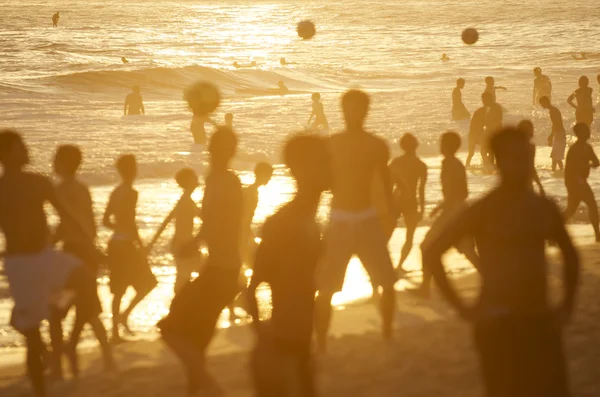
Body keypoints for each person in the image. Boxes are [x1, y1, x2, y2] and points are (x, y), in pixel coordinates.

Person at [423, 126, 579, 397]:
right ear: (498, 161)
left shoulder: (544, 208)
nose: (522, 163)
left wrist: (566, 304)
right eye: (514, 157)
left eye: (526, 156)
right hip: (496, 322)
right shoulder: (483, 210)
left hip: (539, 317)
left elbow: (571, 255)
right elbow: (433, 252)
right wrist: (461, 306)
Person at [0, 130, 96, 397]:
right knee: (32, 337)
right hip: (20, 264)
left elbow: (65, 215)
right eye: (21, 147)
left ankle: (57, 311)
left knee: (86, 282)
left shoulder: (40, 182)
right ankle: (40, 388)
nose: (27, 150)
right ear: (6, 155)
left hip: (48, 256)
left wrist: (90, 244)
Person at [158, 127, 243, 396]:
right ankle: (198, 388)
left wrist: (195, 241)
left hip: (222, 270)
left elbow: (221, 222)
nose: (210, 151)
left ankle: (211, 388)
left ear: (225, 151)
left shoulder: (223, 181)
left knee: (171, 328)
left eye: (216, 147)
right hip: (222, 268)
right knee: (197, 338)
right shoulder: (222, 179)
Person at [247, 135, 330, 397]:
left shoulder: (309, 220)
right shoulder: (285, 223)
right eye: (324, 162)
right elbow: (252, 290)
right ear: (301, 169)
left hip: (296, 347)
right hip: (283, 353)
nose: (332, 167)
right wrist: (268, 339)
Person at [314, 90, 396, 353]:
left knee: (386, 280)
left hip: (368, 216)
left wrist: (390, 217)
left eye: (359, 108)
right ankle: (323, 342)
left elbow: (386, 184)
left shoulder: (377, 145)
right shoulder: (330, 144)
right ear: (342, 109)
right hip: (338, 219)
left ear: (366, 110)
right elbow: (319, 183)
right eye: (349, 108)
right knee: (325, 287)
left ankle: (387, 332)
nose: (354, 113)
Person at [52, 145, 114, 377]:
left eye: (56, 159)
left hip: (74, 252)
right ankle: (105, 357)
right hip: (86, 250)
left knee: (59, 308)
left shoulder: (62, 190)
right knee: (88, 308)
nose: (53, 163)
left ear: (66, 163)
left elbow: (68, 222)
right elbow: (88, 222)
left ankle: (62, 360)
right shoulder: (82, 188)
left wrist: (45, 244)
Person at [410, 132, 480, 298]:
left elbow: (456, 194)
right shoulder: (456, 164)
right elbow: (462, 192)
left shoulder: (450, 164)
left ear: (448, 146)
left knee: (426, 246)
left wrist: (445, 207)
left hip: (452, 214)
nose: (440, 145)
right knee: (469, 251)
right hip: (460, 211)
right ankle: (494, 284)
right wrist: (442, 205)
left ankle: (425, 288)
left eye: (443, 143)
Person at [103, 154, 157, 343]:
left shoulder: (116, 192)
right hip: (126, 245)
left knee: (119, 289)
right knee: (149, 282)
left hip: (115, 243)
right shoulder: (131, 193)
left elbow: (105, 220)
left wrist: (119, 230)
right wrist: (140, 245)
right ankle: (122, 319)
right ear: (132, 170)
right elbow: (131, 222)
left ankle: (117, 329)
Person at [146, 168, 201, 294]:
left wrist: (151, 244)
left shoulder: (185, 200)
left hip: (182, 243)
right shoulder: (186, 201)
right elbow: (204, 216)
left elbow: (166, 221)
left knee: (186, 275)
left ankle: (181, 303)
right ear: (189, 181)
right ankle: (178, 305)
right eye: (194, 177)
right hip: (184, 244)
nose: (197, 178)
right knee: (186, 276)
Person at [389, 133, 427, 275]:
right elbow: (421, 190)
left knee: (386, 233)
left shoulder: (396, 162)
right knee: (409, 236)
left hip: (395, 201)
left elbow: (388, 184)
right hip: (411, 202)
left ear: (402, 146)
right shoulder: (421, 165)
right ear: (416, 146)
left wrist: (384, 203)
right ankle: (399, 266)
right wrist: (422, 210)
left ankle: (385, 265)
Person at [563, 123, 600, 241]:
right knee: (591, 206)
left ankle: (553, 233)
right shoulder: (574, 149)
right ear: (578, 133)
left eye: (588, 130)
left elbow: (596, 162)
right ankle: (598, 235)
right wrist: (576, 181)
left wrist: (587, 164)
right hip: (575, 183)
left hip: (581, 182)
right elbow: (569, 169)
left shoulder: (587, 147)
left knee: (571, 209)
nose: (588, 132)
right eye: (585, 130)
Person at [240, 162, 274, 268]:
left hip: (244, 231)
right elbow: (244, 216)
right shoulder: (251, 192)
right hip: (242, 232)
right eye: (268, 175)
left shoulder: (250, 191)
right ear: (261, 174)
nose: (269, 178)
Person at [517, 120, 545, 196]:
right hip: (526, 184)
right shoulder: (530, 147)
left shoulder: (513, 146)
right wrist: (540, 186)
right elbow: (531, 167)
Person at [540, 96, 566, 172]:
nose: (542, 106)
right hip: (559, 133)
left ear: (546, 102)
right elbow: (555, 124)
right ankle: (556, 172)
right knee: (555, 157)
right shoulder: (553, 110)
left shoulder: (553, 111)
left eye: (542, 103)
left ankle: (558, 171)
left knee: (555, 157)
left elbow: (556, 124)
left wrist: (551, 136)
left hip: (559, 134)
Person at [481, 91, 503, 170]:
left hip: (495, 133)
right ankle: (490, 166)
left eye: (484, 100)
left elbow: (498, 120)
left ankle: (491, 167)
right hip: (490, 132)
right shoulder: (488, 108)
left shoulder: (496, 107)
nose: (483, 102)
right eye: (482, 100)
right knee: (486, 150)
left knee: (490, 151)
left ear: (489, 99)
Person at [466, 94, 487, 168]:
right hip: (474, 133)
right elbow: (484, 122)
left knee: (475, 152)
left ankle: (484, 164)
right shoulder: (482, 111)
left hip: (476, 133)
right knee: (472, 152)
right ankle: (467, 165)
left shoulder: (481, 110)